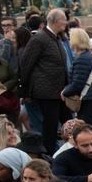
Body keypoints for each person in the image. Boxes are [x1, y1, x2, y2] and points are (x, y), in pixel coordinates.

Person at [17, 9, 69, 155]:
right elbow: (26, 64)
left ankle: (67, 151)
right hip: (46, 91)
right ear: (55, 21)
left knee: (67, 123)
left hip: (59, 91)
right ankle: (48, 155)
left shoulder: (55, 38)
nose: (66, 23)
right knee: (50, 127)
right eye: (64, 20)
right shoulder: (39, 38)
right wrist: (24, 91)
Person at [62, 28, 92, 126]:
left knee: (87, 127)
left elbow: (78, 84)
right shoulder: (88, 55)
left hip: (88, 99)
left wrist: (65, 92)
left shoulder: (82, 58)